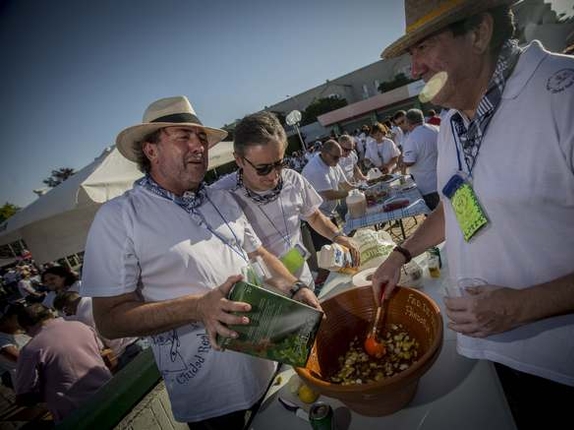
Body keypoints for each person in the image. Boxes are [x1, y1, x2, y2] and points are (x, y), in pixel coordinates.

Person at [373, 1, 574, 429]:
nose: (414, 69)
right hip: (493, 352)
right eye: (411, 55)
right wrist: (400, 254)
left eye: (423, 48)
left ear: (479, 33)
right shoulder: (450, 123)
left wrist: (521, 307)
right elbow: (457, 203)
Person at [80, 96, 321, 429]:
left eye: (202, 138)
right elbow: (108, 320)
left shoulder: (221, 198)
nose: (198, 146)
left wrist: (294, 288)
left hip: (268, 363)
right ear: (151, 150)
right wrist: (197, 307)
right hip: (213, 397)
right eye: (183, 137)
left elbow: (259, 255)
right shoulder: (119, 217)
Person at [211, 112, 359, 290]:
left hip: (302, 277)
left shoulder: (293, 179)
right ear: (239, 160)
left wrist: (338, 236)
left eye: (279, 163)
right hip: (264, 291)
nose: (274, 175)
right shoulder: (220, 195)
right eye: (263, 168)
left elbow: (314, 216)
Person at [14, 303, 112, 422]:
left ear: (26, 328)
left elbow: (23, 394)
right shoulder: (80, 326)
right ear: (50, 314)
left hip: (76, 412)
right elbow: (101, 352)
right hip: (109, 390)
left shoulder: (31, 350)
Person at [53, 291, 143, 372]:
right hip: (139, 338)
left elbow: (99, 345)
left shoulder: (82, 318)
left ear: (65, 309)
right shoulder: (96, 298)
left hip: (125, 351)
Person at [301, 140, 354, 252]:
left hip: (328, 213)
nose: (338, 161)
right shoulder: (315, 170)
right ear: (324, 154)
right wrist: (350, 193)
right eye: (335, 157)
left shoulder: (333, 162)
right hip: (314, 218)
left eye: (340, 157)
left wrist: (360, 188)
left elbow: (345, 184)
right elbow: (330, 195)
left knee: (338, 249)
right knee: (326, 254)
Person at [401, 108, 440, 210]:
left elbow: (409, 161)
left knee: (436, 218)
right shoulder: (436, 129)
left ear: (408, 122)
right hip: (444, 179)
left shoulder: (412, 137)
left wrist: (402, 162)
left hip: (428, 185)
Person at [0, 303, 30, 389]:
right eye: (18, 316)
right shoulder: (2, 339)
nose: (23, 318)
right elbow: (20, 359)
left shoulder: (21, 329)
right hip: (28, 381)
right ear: (5, 319)